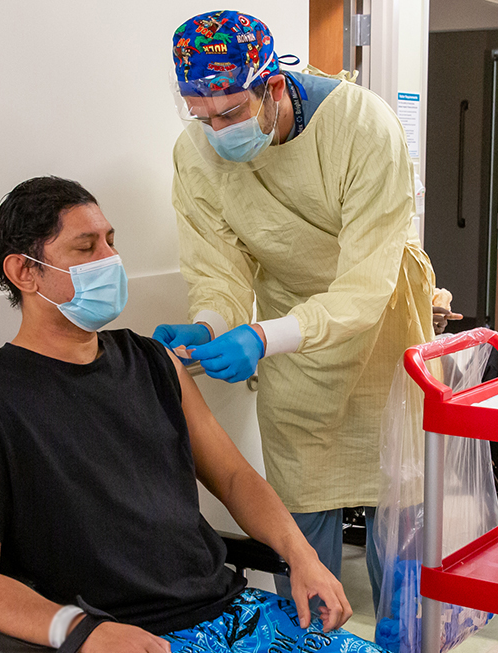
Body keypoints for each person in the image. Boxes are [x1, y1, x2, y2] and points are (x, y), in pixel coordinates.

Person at [0, 176, 422, 653]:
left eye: (111, 240)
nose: (111, 258)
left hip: (226, 609)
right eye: (86, 248)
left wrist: (303, 558)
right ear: (24, 272)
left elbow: (234, 477)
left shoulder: (154, 364)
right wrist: (84, 632)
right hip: (131, 638)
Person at [155, 10, 441, 616]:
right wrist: (211, 322)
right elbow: (219, 270)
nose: (216, 131)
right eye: (200, 115)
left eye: (230, 112)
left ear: (274, 86)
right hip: (291, 341)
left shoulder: (362, 126)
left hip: (382, 329)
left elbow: (364, 289)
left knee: (401, 507)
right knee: (300, 506)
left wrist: (260, 337)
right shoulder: (197, 155)